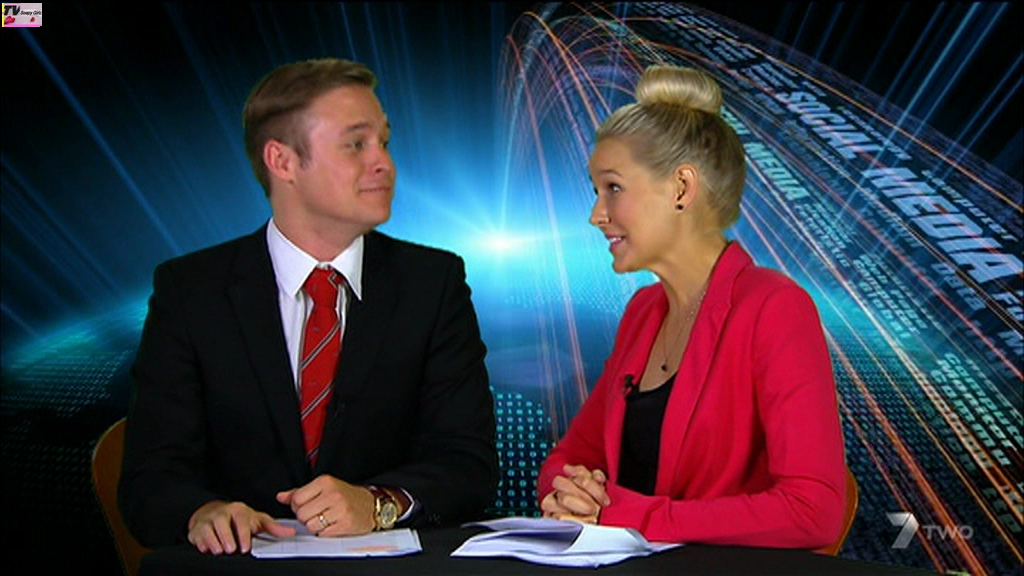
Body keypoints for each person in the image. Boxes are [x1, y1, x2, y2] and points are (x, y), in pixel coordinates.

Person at [119, 57, 499, 555]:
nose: (384, 164)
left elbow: (469, 464)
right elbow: (150, 475)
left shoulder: (433, 283)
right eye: (356, 144)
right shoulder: (190, 291)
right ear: (282, 162)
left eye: (384, 143)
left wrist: (378, 504)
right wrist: (202, 512)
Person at [537, 64, 847, 548]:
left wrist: (627, 516)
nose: (597, 215)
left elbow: (814, 511)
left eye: (613, 188)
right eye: (597, 191)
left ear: (682, 188)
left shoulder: (776, 307)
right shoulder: (643, 311)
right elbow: (567, 459)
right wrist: (571, 494)